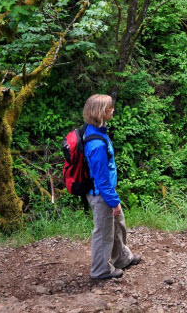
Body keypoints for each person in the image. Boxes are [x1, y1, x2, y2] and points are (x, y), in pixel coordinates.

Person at [82, 94, 141, 279]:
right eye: (110, 108)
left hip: (104, 191)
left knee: (118, 224)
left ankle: (122, 258)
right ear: (101, 112)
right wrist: (114, 201)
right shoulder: (96, 144)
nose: (113, 109)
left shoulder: (96, 130)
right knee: (103, 232)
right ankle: (100, 270)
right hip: (101, 194)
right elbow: (101, 178)